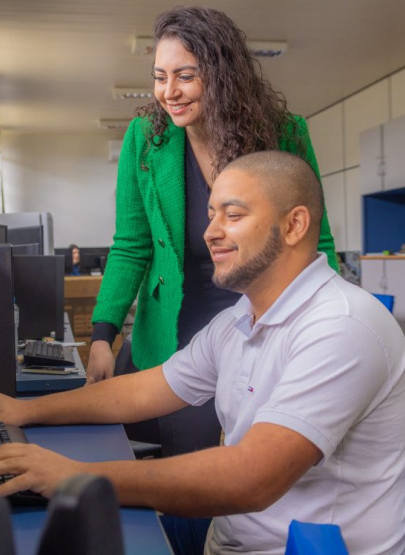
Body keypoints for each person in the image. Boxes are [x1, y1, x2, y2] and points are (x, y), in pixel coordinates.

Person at [0, 152, 405, 555]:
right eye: (212, 214)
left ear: (294, 225)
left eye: (232, 215)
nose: (210, 232)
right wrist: (25, 411)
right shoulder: (240, 319)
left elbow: (251, 478)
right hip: (231, 536)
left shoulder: (341, 326)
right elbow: (142, 391)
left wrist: (75, 476)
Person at [86, 6, 338, 460]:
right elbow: (131, 245)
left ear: (221, 73)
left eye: (185, 75)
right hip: (171, 323)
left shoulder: (284, 133)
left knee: (223, 456)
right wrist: (103, 336)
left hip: (256, 315)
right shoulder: (147, 138)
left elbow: (315, 239)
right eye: (160, 76)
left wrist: (328, 326)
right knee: (155, 445)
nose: (169, 92)